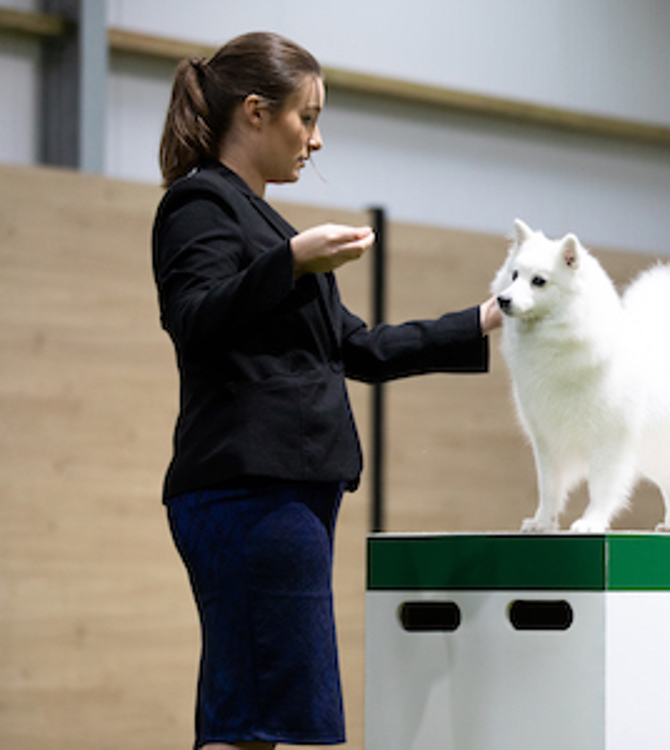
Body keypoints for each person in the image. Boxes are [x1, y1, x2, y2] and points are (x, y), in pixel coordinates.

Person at [152, 31, 502, 750]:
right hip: (248, 493)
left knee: (253, 710)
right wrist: (289, 260)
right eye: (305, 118)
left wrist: (482, 320)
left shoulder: (263, 219)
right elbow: (195, 318)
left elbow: (358, 349)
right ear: (254, 112)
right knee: (251, 710)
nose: (316, 140)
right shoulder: (199, 205)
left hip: (283, 496)